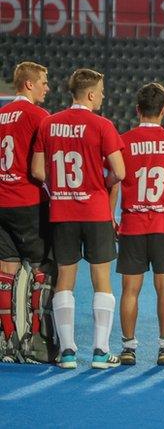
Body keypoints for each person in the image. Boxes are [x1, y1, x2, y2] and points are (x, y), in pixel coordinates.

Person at [31, 68, 125, 370]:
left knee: (65, 282)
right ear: (90, 94)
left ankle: (68, 352)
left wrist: (59, 187)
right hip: (95, 212)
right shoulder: (102, 125)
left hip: (62, 211)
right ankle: (100, 352)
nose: (103, 96)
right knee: (102, 281)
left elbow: (38, 171)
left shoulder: (48, 123)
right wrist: (100, 183)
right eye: (101, 91)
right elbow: (120, 172)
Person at [109, 83, 164, 366]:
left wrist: (111, 217)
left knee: (130, 289)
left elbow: (115, 182)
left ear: (137, 109)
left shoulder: (123, 141)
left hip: (132, 225)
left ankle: (128, 349)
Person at [0, 62, 52, 363]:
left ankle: (6, 339)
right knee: (41, 269)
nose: (47, 87)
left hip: (2, 201)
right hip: (28, 200)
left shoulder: (2, 115)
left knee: (5, 272)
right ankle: (35, 341)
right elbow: (39, 168)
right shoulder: (39, 117)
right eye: (43, 82)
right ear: (29, 84)